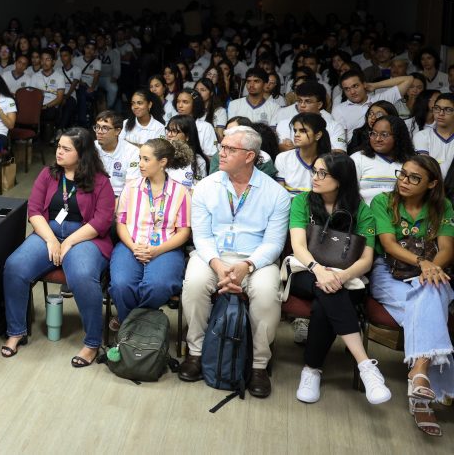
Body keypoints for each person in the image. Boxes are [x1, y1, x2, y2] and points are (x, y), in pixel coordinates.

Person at [177, 125, 291, 398]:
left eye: (230, 149)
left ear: (250, 156)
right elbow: (201, 236)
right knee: (194, 283)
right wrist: (217, 265)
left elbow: (273, 244)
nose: (222, 153)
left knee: (266, 293)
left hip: (256, 259)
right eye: (222, 147)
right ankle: (196, 352)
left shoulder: (276, 194)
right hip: (213, 255)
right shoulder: (206, 187)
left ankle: (258, 364)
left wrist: (247, 266)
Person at [1, 127, 115, 367]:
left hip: (86, 237)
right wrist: (52, 240)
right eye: (58, 147)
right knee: (15, 266)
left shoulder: (101, 182)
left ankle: (92, 342)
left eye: (66, 149)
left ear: (82, 153)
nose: (59, 152)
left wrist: (70, 241)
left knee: (82, 275)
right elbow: (34, 211)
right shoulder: (48, 174)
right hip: (48, 232)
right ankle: (16, 331)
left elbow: (102, 221)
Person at [286, 152, 390, 405]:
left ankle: (311, 369)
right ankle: (365, 365)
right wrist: (319, 270)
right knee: (327, 289)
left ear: (342, 179)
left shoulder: (361, 210)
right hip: (305, 271)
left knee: (326, 299)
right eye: (315, 171)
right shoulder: (302, 201)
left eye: (323, 173)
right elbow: (298, 246)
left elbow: (366, 260)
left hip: (347, 277)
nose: (315, 177)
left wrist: (340, 276)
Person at [369, 155, 454, 436]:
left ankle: (418, 376)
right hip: (387, 272)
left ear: (432, 184)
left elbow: (447, 248)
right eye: (403, 174)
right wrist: (424, 263)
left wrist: (432, 269)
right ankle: (422, 384)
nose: (404, 181)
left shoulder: (443, 206)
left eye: (414, 178)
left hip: (428, 273)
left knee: (433, 291)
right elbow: (389, 245)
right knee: (432, 309)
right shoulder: (384, 201)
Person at [108, 138, 192, 327]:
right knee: (121, 285)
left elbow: (183, 232)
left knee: (158, 286)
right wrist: (133, 246)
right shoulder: (131, 187)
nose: (140, 164)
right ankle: (141, 327)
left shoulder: (180, 192)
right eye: (140, 158)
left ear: (162, 162)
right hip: (130, 243)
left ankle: (129, 324)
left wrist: (157, 250)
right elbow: (121, 223)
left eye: (146, 159)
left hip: (165, 247)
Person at [351, 114, 413, 204]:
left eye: (384, 135)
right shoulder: (358, 158)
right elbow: (349, 194)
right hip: (365, 211)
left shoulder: (411, 163)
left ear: (398, 137)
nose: (377, 139)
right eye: (373, 133)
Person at [332, 71, 413, 140]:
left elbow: (409, 79)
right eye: (347, 89)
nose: (352, 92)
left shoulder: (380, 99)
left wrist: (375, 85)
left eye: (355, 86)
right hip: (355, 150)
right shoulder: (339, 110)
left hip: (384, 146)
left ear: (364, 84)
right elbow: (340, 138)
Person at [275, 113, 331, 196]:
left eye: (303, 131)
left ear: (318, 135)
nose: (296, 134)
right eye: (295, 131)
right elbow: (280, 194)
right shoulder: (283, 158)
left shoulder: (330, 161)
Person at [93, 110, 140, 196]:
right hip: (94, 195)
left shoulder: (133, 152)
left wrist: (117, 201)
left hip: (120, 197)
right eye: (97, 127)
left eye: (105, 128)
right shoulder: (91, 147)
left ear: (117, 131)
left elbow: (131, 187)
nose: (99, 131)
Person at [413, 92, 454, 182]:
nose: (441, 113)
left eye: (448, 110)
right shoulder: (422, 136)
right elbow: (425, 168)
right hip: (431, 185)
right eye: (437, 108)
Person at [163, 114, 206, 190]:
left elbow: (198, 190)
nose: (169, 134)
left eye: (174, 131)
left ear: (187, 136)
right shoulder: (160, 154)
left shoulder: (198, 161)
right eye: (168, 130)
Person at [173, 88, 217, 157]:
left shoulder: (206, 127)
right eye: (178, 101)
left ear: (195, 104)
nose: (180, 106)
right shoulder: (172, 124)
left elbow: (213, 156)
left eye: (185, 102)